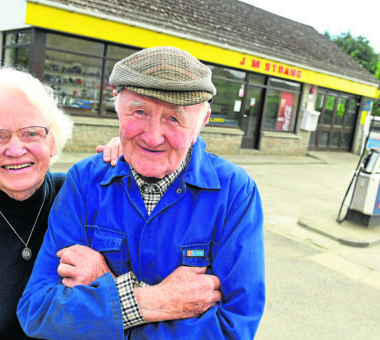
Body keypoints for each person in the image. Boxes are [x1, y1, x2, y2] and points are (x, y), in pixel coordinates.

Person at [0, 68, 207, 339]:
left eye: (31, 133)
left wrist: (136, 152)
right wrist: (153, 300)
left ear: (53, 142)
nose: (15, 150)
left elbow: (174, 149)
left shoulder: (79, 194)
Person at [18, 46, 266, 339]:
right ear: (117, 104)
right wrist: (154, 302)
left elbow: (233, 329)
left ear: (202, 121)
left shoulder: (235, 192)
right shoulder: (84, 182)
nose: (152, 136)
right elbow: (40, 311)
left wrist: (105, 287)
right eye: (139, 112)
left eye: (174, 118)